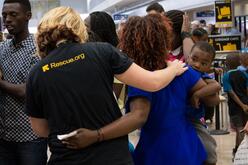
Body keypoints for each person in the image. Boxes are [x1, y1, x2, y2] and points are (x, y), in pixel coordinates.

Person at [25, 7, 187, 165]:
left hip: (66, 157)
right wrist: (173, 69)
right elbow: (153, 83)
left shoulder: (37, 72)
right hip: (111, 156)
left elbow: (40, 129)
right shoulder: (102, 51)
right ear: (77, 27)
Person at [118, 14, 215, 165]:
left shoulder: (138, 78)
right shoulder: (182, 70)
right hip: (188, 147)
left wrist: (98, 135)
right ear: (165, 40)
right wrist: (196, 94)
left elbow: (138, 117)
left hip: (157, 150)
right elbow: (212, 99)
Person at [0, 0, 48, 165]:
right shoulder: (2, 48)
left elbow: (27, 92)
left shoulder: (39, 50)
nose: (7, 20)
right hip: (4, 135)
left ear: (28, 16)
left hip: (31, 137)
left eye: (13, 14)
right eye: (4, 15)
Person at [187, 42, 220, 165]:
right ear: (188, 56)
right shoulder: (183, 69)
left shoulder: (202, 75)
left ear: (209, 65)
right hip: (176, 116)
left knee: (209, 148)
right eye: (194, 59)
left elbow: (216, 85)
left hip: (194, 119)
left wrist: (197, 95)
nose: (197, 65)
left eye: (203, 63)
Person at [223, 53, 248, 157]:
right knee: (243, 129)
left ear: (226, 64)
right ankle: (237, 149)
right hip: (246, 104)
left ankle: (240, 153)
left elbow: (231, 93)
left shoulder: (226, 76)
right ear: (239, 62)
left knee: (240, 129)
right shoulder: (244, 74)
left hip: (235, 107)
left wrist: (241, 105)